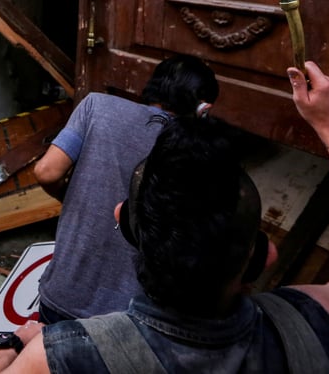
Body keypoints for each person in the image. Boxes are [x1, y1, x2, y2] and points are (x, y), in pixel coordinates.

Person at [0, 61, 329, 374]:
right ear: (263, 257)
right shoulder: (312, 333)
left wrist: (8, 349)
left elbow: (47, 172)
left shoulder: (61, 355)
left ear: (127, 226)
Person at [32, 55, 219, 322]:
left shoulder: (96, 106)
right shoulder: (197, 148)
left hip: (61, 295)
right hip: (127, 321)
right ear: (204, 108)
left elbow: (46, 172)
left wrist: (73, 198)